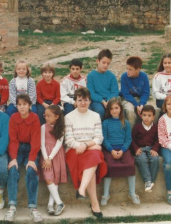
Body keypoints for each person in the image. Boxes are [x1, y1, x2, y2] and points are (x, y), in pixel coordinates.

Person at [65, 88, 107, 219]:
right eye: (80, 100)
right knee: (94, 157)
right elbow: (69, 140)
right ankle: (94, 204)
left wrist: (86, 145)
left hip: (88, 149)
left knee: (93, 158)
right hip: (74, 151)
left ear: (90, 101)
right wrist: (87, 146)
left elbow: (99, 138)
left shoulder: (95, 116)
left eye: (86, 100)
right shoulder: (69, 117)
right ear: (75, 101)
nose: (83, 103)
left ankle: (82, 190)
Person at [5, 94, 42, 223]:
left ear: (29, 106)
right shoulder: (14, 118)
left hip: (31, 149)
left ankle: (33, 207)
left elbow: (36, 141)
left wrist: (32, 159)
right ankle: (12, 205)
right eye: (19, 104)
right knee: (13, 169)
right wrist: (13, 158)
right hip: (18, 149)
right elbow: (13, 140)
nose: (22, 107)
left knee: (32, 171)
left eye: (24, 104)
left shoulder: (34, 118)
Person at [101, 98, 140, 206]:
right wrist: (111, 150)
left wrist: (122, 150)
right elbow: (104, 139)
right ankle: (105, 194)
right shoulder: (106, 123)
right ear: (108, 110)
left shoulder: (125, 122)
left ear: (121, 109)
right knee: (108, 166)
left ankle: (132, 193)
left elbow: (128, 139)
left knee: (130, 164)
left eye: (116, 108)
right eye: (112, 109)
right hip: (110, 149)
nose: (114, 110)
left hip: (123, 149)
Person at [40, 105, 66, 216]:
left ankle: (50, 204)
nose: (46, 117)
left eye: (49, 116)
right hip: (45, 155)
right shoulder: (43, 127)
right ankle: (59, 203)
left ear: (56, 116)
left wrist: (51, 157)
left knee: (54, 179)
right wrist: (46, 158)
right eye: (45, 115)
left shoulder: (61, 128)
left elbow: (59, 144)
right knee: (48, 177)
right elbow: (41, 144)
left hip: (56, 155)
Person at [131, 105, 160, 192]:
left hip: (151, 148)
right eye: (144, 115)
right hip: (140, 148)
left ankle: (151, 182)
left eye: (149, 115)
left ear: (153, 117)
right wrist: (136, 148)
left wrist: (155, 149)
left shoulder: (155, 127)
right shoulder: (137, 127)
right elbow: (131, 139)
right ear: (141, 116)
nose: (146, 117)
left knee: (155, 159)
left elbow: (158, 140)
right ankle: (147, 181)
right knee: (142, 159)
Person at [87, 49, 119, 121]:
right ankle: (100, 130)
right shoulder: (91, 76)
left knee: (118, 110)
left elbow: (115, 91)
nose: (106, 65)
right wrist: (102, 101)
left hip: (110, 100)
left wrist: (108, 101)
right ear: (97, 61)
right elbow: (91, 93)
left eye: (108, 63)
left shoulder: (112, 76)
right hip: (97, 101)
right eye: (103, 62)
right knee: (100, 111)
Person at [119, 56, 150, 127]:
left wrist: (141, 104)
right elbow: (126, 94)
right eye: (127, 69)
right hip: (127, 99)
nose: (128, 71)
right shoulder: (124, 76)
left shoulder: (144, 76)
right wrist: (136, 105)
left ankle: (147, 131)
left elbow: (146, 92)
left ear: (138, 69)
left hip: (140, 98)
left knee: (149, 109)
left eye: (130, 69)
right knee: (130, 111)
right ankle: (131, 133)